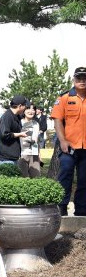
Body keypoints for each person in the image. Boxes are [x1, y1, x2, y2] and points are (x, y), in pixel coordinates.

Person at [52, 68, 86, 215]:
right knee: (65, 176)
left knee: (84, 181)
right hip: (68, 147)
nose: (82, 81)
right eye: (79, 78)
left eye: (85, 78)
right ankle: (61, 208)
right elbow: (58, 120)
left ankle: (81, 211)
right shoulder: (65, 98)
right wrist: (63, 140)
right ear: (73, 80)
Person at [0, 96, 28, 165]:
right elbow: (5, 134)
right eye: (25, 105)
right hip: (6, 158)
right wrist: (20, 134)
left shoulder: (16, 116)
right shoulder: (7, 116)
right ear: (20, 106)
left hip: (13, 156)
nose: (25, 108)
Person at [18, 104, 41, 177]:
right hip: (21, 154)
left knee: (36, 177)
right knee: (23, 178)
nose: (31, 111)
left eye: (33, 109)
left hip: (33, 154)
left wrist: (38, 155)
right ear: (24, 111)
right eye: (28, 109)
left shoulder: (36, 124)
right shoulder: (19, 122)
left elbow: (36, 141)